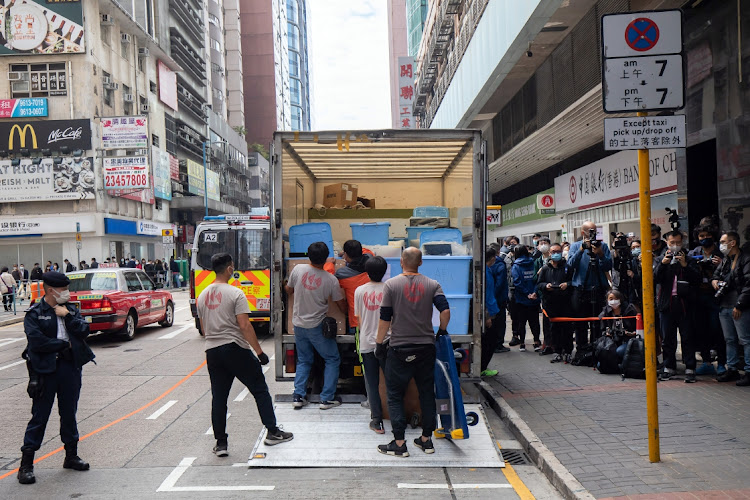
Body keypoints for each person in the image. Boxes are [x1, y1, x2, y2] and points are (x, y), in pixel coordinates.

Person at [197, 253, 293, 457]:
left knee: (219, 397)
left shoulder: (202, 295)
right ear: (230, 269)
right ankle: (273, 432)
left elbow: (204, 330)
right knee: (259, 388)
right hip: (234, 348)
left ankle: (221, 443)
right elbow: (244, 325)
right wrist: (259, 353)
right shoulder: (235, 293)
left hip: (212, 351)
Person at [17, 271, 95, 485]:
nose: (67, 293)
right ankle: (26, 465)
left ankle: (71, 456)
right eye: (64, 289)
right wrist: (63, 344)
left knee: (69, 413)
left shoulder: (70, 309)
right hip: (45, 370)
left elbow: (85, 330)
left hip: (69, 368)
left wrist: (67, 316)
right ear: (51, 290)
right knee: (40, 416)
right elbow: (37, 342)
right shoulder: (35, 313)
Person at [375, 247, 449, 457]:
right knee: (426, 392)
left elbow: (385, 318)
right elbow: (445, 310)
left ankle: (399, 443)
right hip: (426, 347)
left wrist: (380, 343)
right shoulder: (433, 284)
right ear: (421, 262)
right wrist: (441, 331)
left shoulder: (391, 284)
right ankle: (426, 440)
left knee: (395, 395)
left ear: (401, 262)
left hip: (399, 348)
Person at [285, 242, 346, 410]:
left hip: (298, 324)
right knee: (332, 358)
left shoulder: (297, 270)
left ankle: (298, 396)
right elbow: (340, 304)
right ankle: (326, 399)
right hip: (317, 326)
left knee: (304, 360)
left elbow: (288, 290)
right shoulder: (330, 279)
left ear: (308, 255)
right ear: (326, 257)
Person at [654, 230, 700, 382]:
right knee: (668, 338)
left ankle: (690, 367)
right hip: (667, 304)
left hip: (685, 304)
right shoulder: (661, 258)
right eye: (672, 243)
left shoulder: (689, 258)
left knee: (687, 337)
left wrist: (685, 265)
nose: (675, 246)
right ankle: (669, 367)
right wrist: (662, 264)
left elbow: (697, 279)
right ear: (666, 242)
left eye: (678, 243)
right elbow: (653, 279)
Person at [353, 256, 389, 433]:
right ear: (385, 271)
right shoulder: (390, 289)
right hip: (388, 342)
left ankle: (377, 421)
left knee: (372, 383)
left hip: (367, 342)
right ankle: (397, 416)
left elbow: (358, 318)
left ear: (366, 272)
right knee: (392, 382)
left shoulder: (359, 291)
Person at [688, 221, 725, 376]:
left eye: (708, 236)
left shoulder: (721, 254)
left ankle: (722, 363)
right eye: (701, 236)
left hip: (716, 297)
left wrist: (720, 265)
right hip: (698, 296)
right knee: (700, 329)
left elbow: (729, 273)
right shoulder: (693, 253)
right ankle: (706, 362)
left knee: (717, 329)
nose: (704, 238)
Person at [567, 221, 613, 347]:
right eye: (590, 231)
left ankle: (597, 347)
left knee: (598, 323)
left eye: (595, 231)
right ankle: (582, 349)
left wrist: (601, 254)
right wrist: (581, 249)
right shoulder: (576, 246)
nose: (593, 235)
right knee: (580, 323)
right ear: (583, 233)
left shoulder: (602, 246)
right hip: (581, 290)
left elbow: (608, 266)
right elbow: (570, 265)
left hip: (599, 289)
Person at [713, 232, 750, 385]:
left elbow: (748, 285)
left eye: (723, 241)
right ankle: (732, 369)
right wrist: (714, 281)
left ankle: (748, 371)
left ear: (732, 243)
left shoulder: (745, 259)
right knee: (729, 340)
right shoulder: (726, 260)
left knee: (746, 340)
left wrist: (740, 305)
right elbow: (716, 274)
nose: (721, 244)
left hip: (739, 306)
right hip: (724, 305)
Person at [537, 243, 573, 363]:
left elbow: (574, 281)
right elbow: (539, 283)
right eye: (553, 252)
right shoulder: (546, 268)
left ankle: (567, 351)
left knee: (567, 329)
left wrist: (567, 284)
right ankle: (557, 351)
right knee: (554, 329)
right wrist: (546, 286)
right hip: (551, 304)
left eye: (558, 251)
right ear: (549, 253)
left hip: (566, 303)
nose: (555, 254)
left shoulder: (567, 267)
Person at [335, 240, 371, 333]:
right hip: (374, 318)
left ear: (345, 255)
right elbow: (367, 251)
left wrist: (329, 264)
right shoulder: (371, 260)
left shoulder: (342, 274)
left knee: (359, 346)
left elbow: (329, 280)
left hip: (357, 322)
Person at [511, 245, 541, 352]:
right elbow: (538, 279)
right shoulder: (534, 262)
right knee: (535, 321)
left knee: (521, 322)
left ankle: (522, 343)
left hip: (521, 299)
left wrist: (526, 293)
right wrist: (534, 293)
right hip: (534, 298)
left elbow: (517, 282)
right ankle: (537, 342)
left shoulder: (516, 266)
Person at [599, 290, 639, 361]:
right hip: (612, 341)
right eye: (611, 299)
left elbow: (637, 329)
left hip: (628, 340)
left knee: (619, 351)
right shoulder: (605, 313)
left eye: (616, 299)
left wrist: (632, 333)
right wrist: (607, 333)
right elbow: (603, 330)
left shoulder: (629, 310)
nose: (613, 301)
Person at [481, 247, 501, 376]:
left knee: (489, 341)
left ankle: (482, 366)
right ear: (492, 258)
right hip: (489, 313)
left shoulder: (486, 270)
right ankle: (482, 367)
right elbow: (484, 296)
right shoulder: (485, 274)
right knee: (489, 342)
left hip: (491, 310)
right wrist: (487, 316)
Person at [533, 238, 553, 354]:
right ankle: (547, 343)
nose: (544, 245)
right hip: (543, 294)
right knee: (546, 320)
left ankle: (555, 343)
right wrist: (540, 272)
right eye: (541, 244)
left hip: (556, 294)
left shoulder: (555, 260)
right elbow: (535, 279)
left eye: (546, 243)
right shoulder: (537, 261)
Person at [489, 242, 510, 353]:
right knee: (500, 322)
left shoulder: (487, 264)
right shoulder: (500, 264)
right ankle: (498, 344)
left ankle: (494, 343)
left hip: (491, 298)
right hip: (499, 298)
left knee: (493, 322)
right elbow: (500, 283)